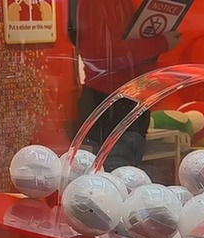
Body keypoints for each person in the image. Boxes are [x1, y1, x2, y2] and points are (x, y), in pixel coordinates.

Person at [74, 0, 182, 171]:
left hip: (131, 95)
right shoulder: (95, 4)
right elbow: (101, 56)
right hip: (108, 98)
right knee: (112, 172)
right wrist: (160, 43)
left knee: (124, 172)